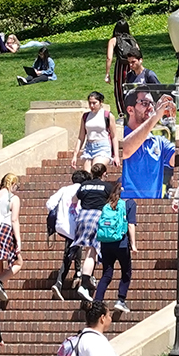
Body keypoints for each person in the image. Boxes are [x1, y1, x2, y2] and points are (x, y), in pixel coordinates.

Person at [101, 94, 176, 313]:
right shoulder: (124, 134)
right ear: (130, 109)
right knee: (110, 271)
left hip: (149, 200)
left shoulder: (159, 141)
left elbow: (176, 158)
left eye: (152, 103)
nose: (150, 107)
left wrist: (175, 118)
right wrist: (156, 117)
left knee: (121, 270)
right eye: (145, 103)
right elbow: (126, 150)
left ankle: (116, 298)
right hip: (125, 204)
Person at [62, 164, 111, 301]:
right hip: (96, 217)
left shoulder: (84, 185)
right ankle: (84, 284)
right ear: (103, 174)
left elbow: (74, 200)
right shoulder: (106, 186)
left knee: (88, 250)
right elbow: (113, 202)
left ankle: (88, 278)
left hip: (82, 217)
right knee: (92, 251)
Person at [43, 168, 86, 301]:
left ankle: (74, 276)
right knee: (71, 251)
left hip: (62, 226)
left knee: (72, 249)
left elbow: (49, 203)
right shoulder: (83, 190)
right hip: (77, 225)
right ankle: (67, 279)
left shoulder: (64, 189)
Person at [0, 172, 23, 280]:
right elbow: (14, 220)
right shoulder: (13, 198)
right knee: (18, 262)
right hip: (3, 232)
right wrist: (18, 240)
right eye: (17, 186)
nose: (17, 189)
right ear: (13, 183)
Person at [77, 92, 115, 167]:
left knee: (96, 170)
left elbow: (114, 136)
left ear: (101, 102)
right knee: (87, 175)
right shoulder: (85, 116)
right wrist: (75, 154)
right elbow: (81, 137)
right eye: (90, 103)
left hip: (102, 146)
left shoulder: (107, 115)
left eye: (94, 103)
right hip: (89, 147)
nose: (92, 106)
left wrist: (116, 156)